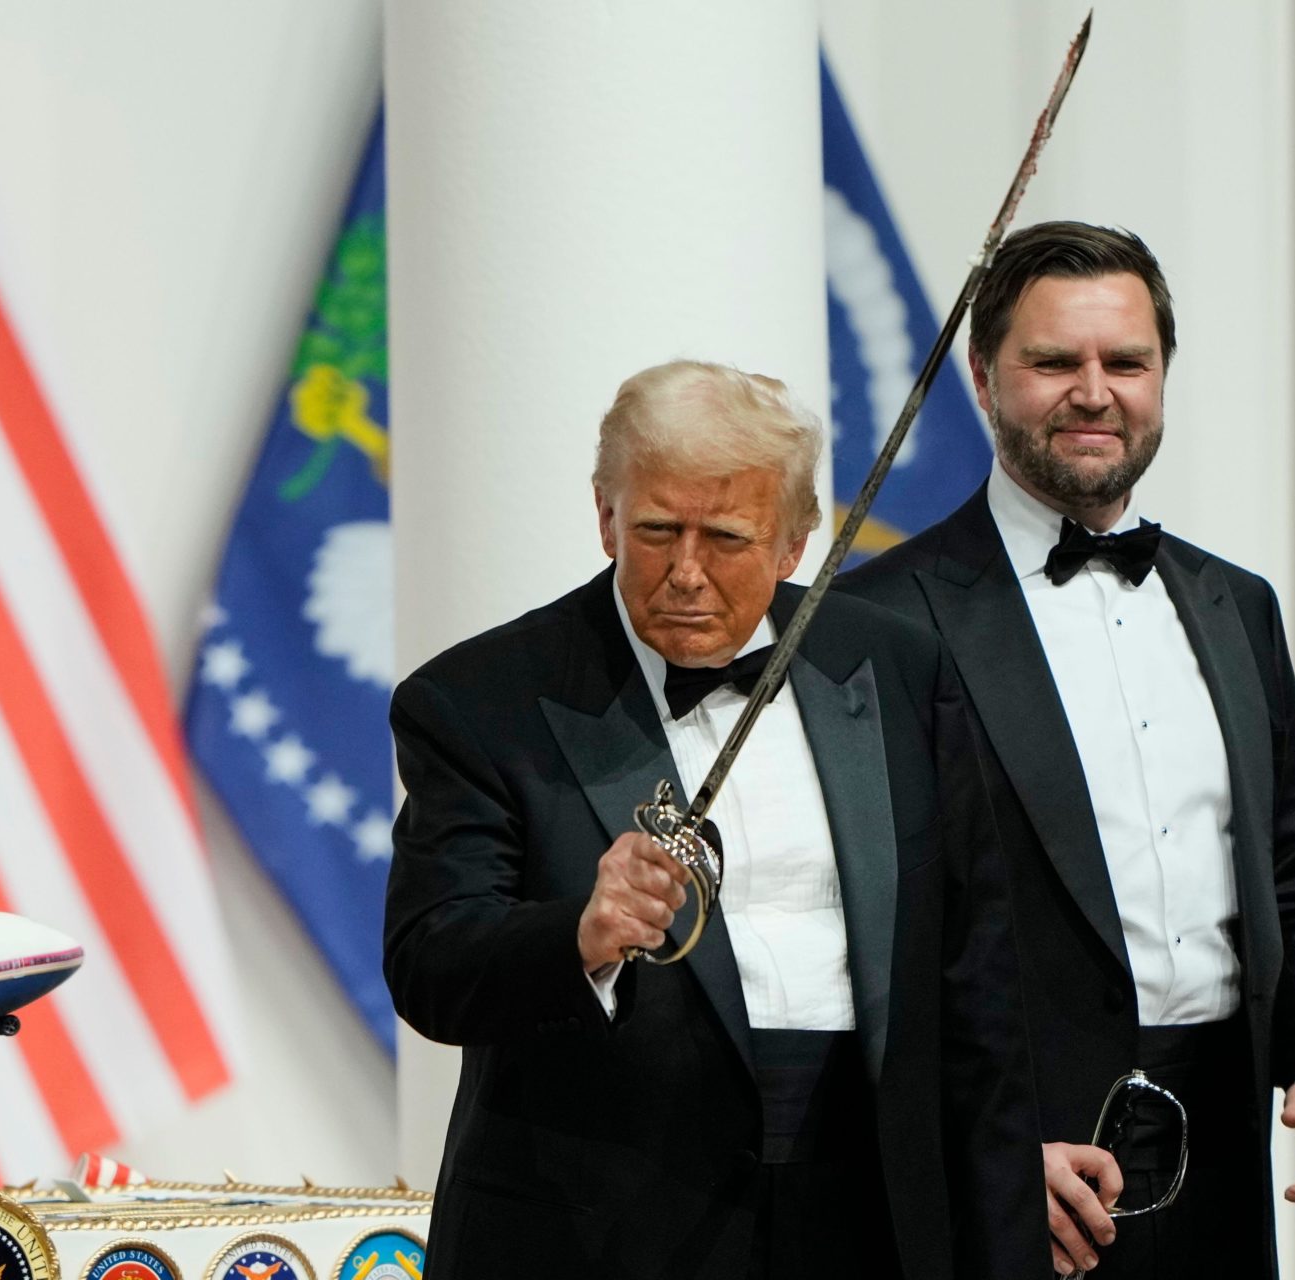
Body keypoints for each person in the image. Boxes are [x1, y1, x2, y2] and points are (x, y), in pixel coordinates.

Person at [384, 360, 1046, 1279]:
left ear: (795, 541)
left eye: (726, 537)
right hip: (601, 1228)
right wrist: (578, 935)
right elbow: (430, 963)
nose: (685, 574)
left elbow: (978, 986)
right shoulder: (479, 699)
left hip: (870, 1215)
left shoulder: (897, 670)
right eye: (656, 531)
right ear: (605, 516)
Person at [840, 222, 1295, 1278]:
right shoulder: (881, 619)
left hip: (1225, 1166)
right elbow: (864, 941)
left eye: (1125, 361)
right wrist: (981, 1155)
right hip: (1024, 1191)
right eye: (1054, 362)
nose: (1095, 391)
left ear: (1162, 378)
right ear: (986, 382)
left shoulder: (1238, 607)